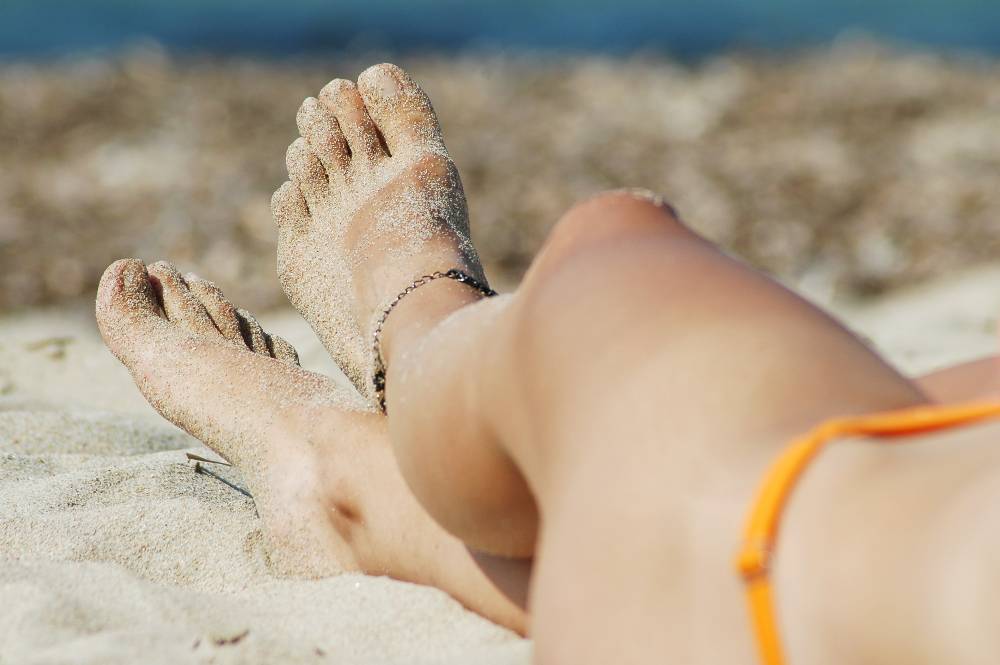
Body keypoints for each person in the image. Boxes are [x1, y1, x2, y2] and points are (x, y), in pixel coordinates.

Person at [96, 63, 1000, 664]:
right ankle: (349, 483)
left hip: (757, 560)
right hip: (822, 592)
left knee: (612, 246)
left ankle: (416, 320)